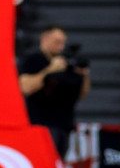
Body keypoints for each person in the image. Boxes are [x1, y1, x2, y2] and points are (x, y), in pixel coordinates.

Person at [19, 26, 90, 156]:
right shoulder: (33, 60)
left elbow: (82, 94)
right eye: (57, 42)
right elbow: (25, 88)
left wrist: (84, 75)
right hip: (41, 125)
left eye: (63, 42)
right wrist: (50, 70)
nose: (61, 46)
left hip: (64, 125)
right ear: (44, 39)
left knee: (59, 163)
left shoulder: (67, 63)